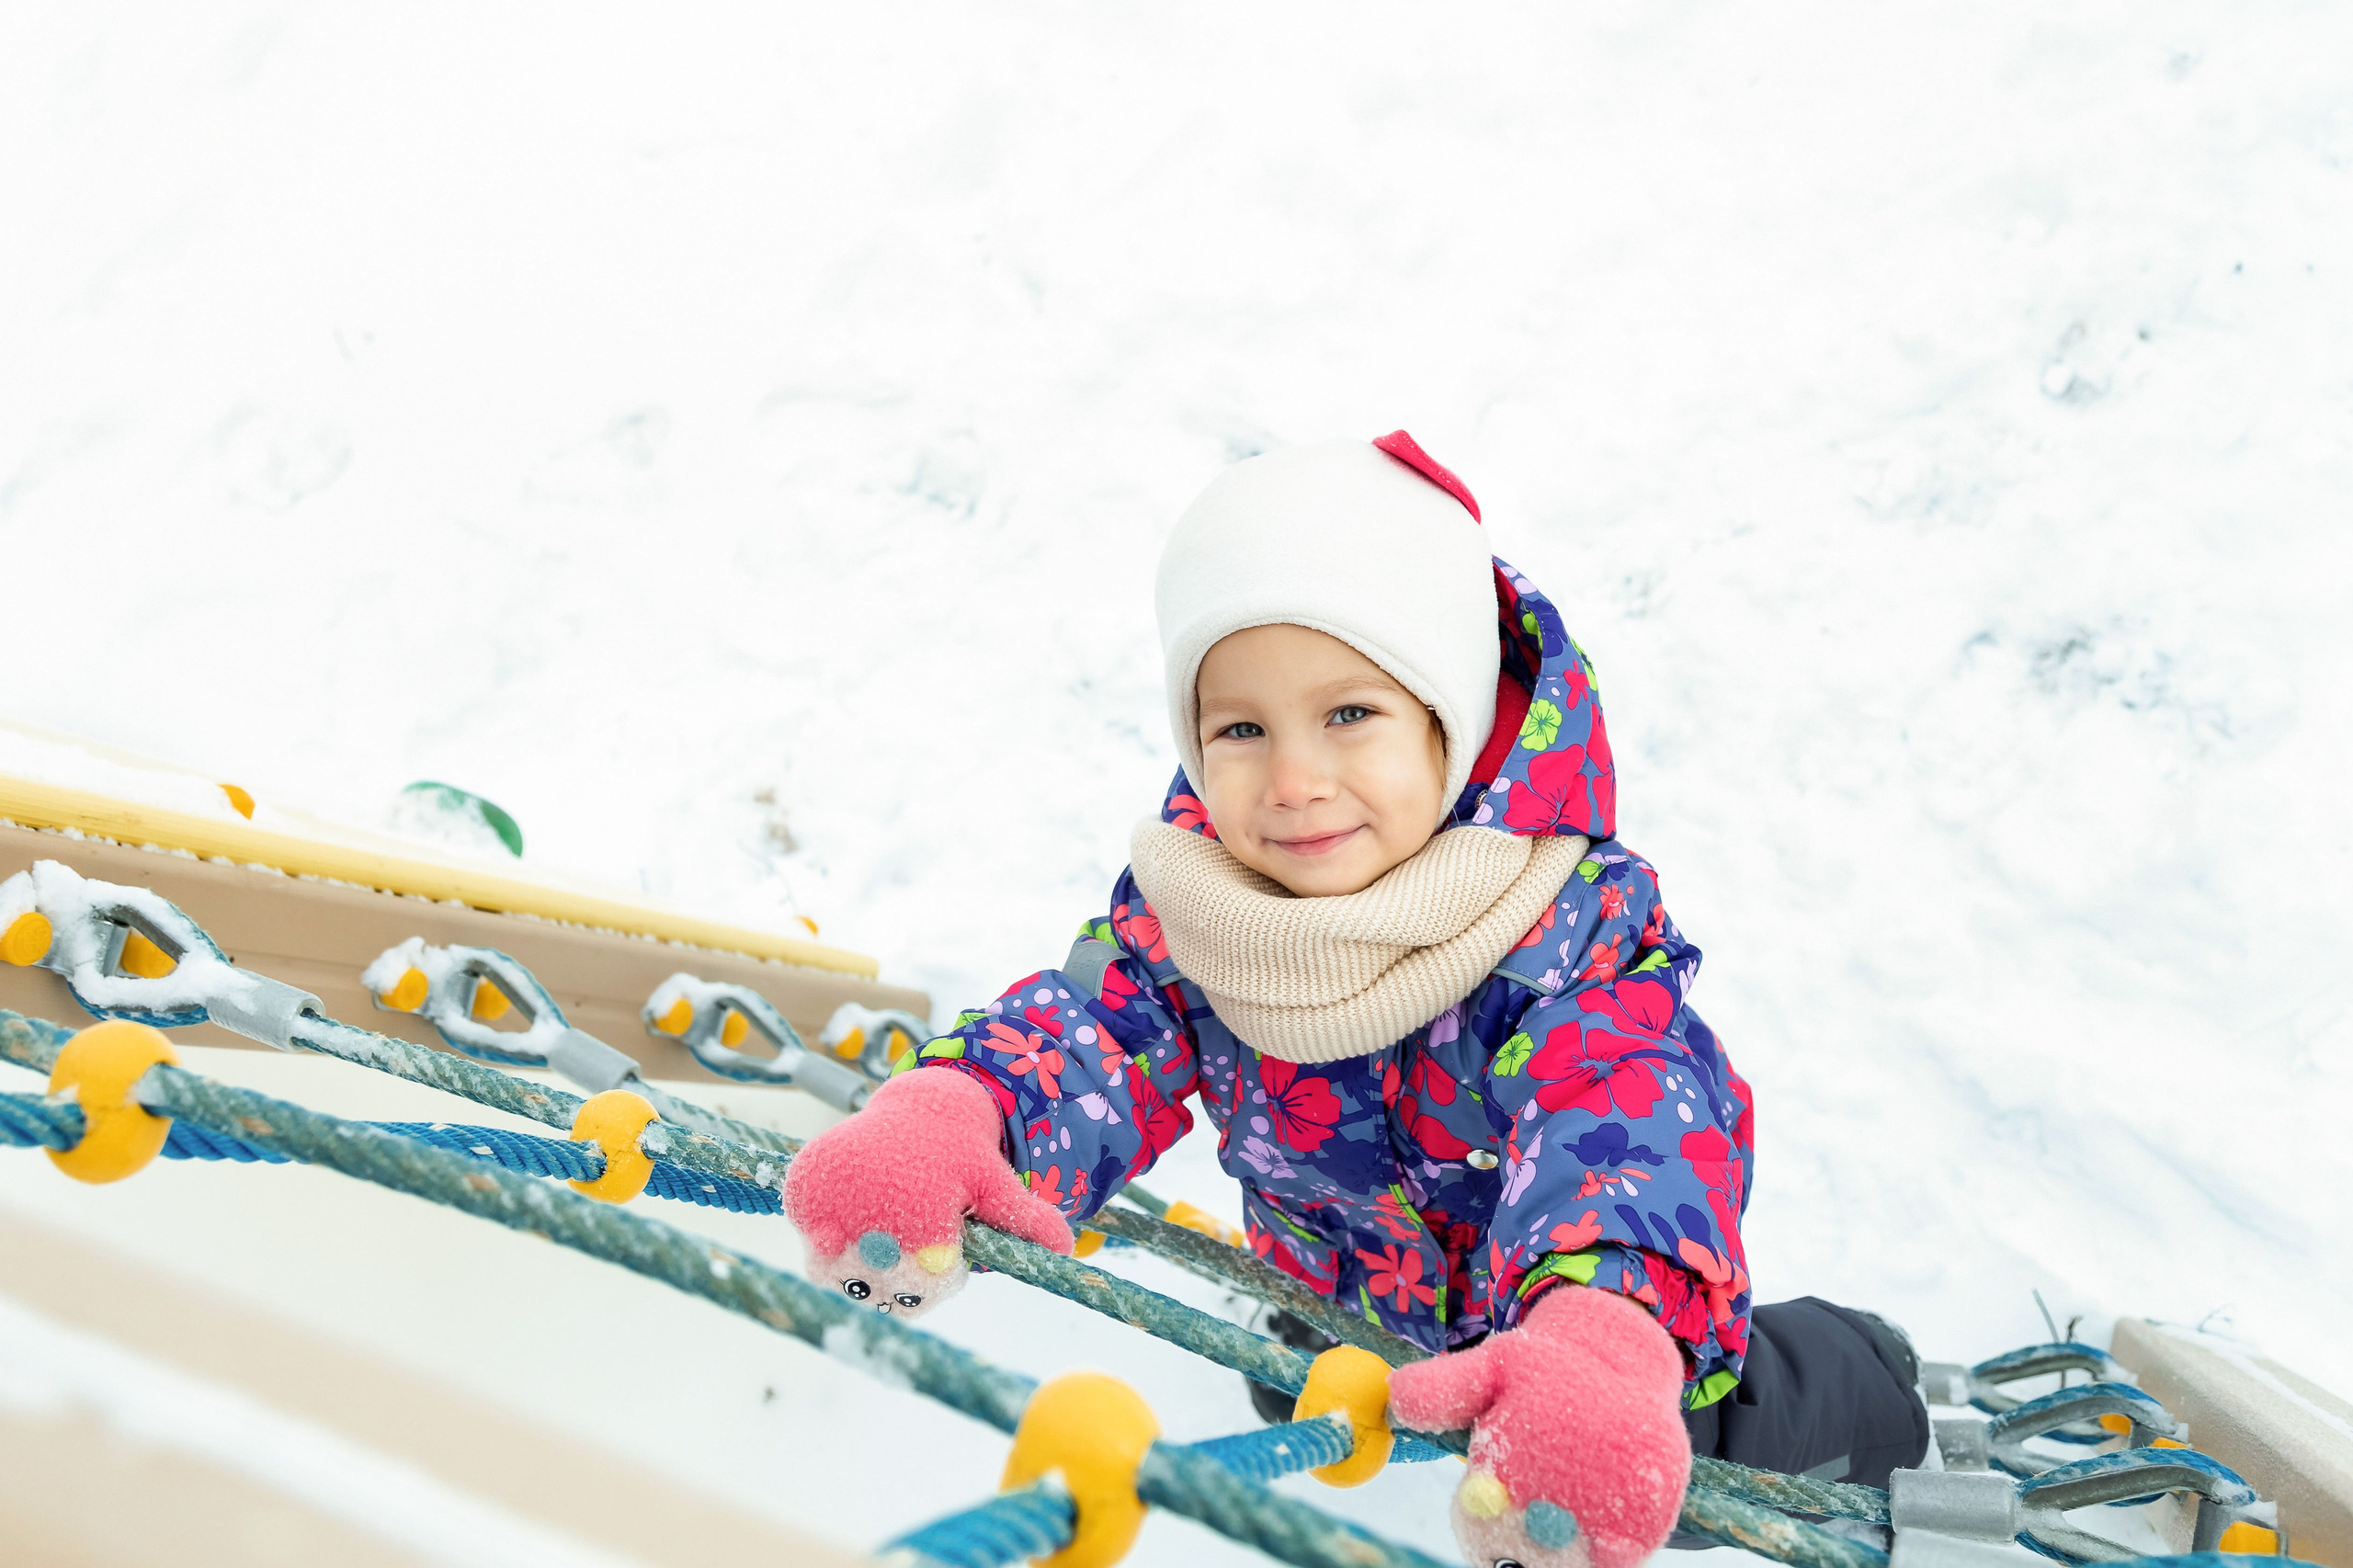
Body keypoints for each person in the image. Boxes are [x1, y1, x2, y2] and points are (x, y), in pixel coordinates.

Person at [782, 433, 1927, 1568]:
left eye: (1348, 715)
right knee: (1301, 1397)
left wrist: (1601, 1330)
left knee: (1664, 1461)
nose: (1292, 781)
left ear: (1451, 716)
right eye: (1240, 728)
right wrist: (956, 1110)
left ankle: (1857, 1369)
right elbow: (1092, 1035)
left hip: (1570, 1311)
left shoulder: (1558, 927)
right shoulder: (1206, 910)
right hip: (1335, 1290)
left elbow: (1620, 1113)